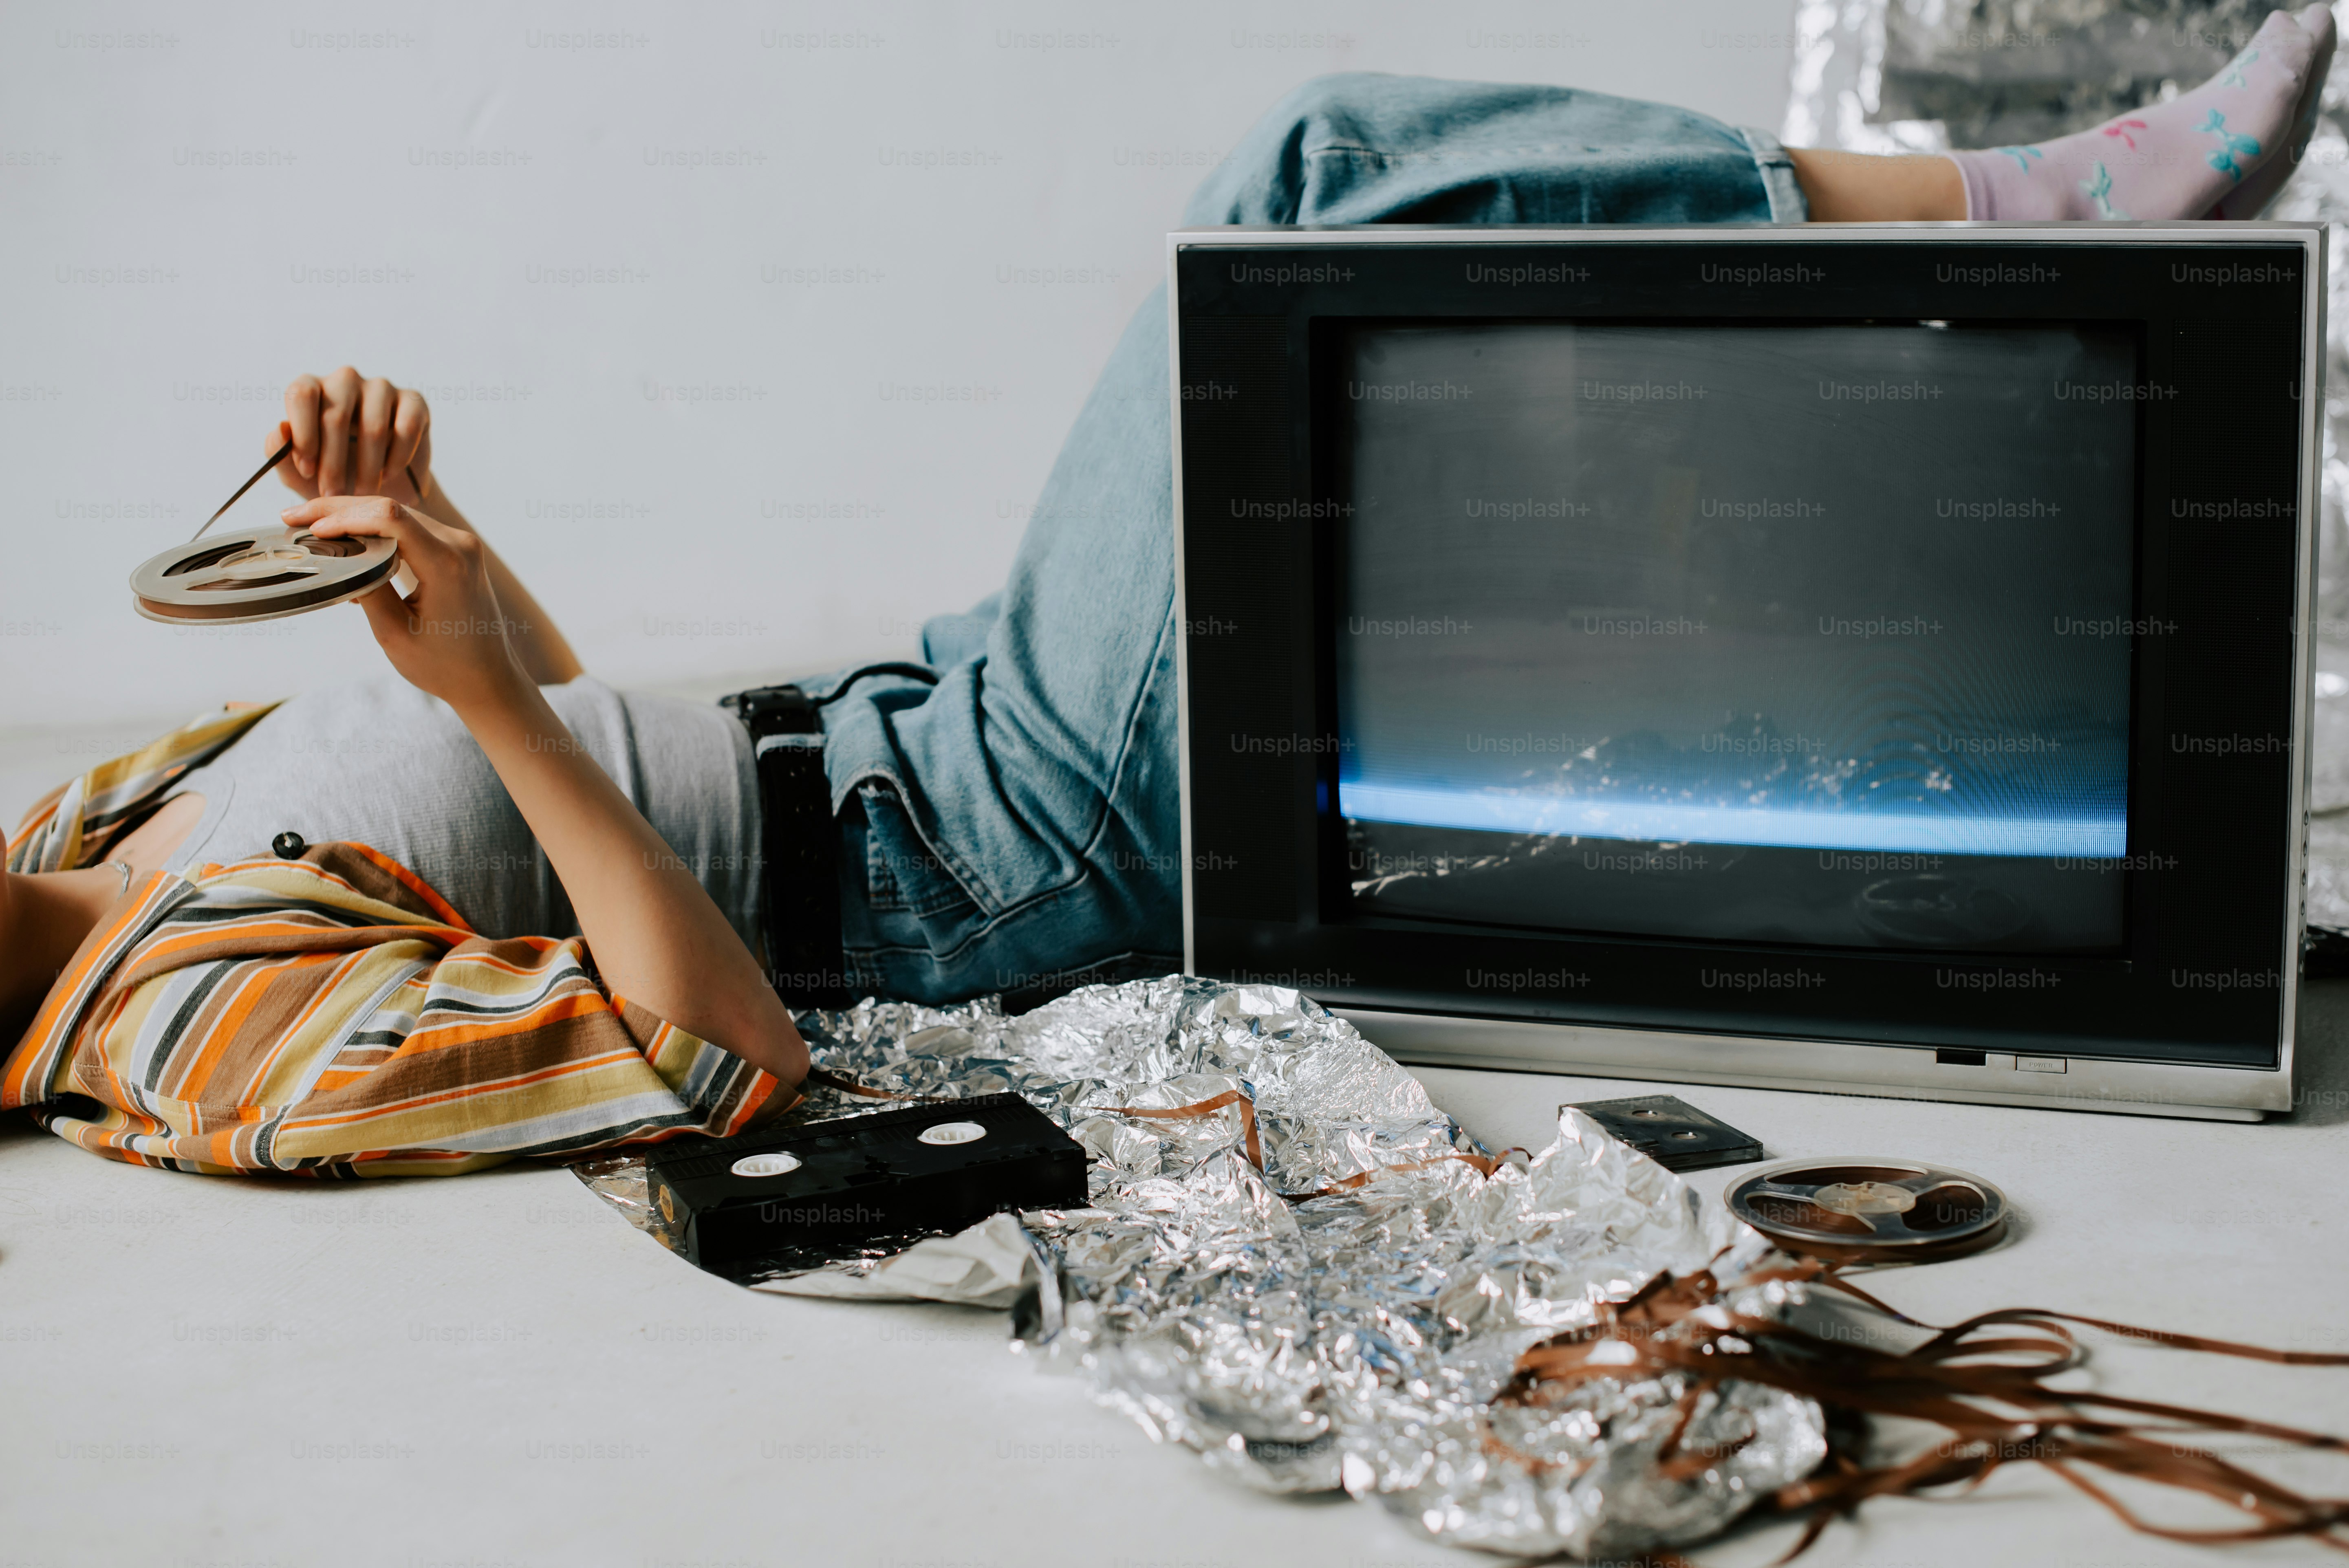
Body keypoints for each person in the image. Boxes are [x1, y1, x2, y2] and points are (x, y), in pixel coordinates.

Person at [3, 14, 2333, 1176]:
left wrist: (431, 540)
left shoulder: (85, 830)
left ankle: (2025, 232)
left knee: (1310, 232)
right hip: (979, 859)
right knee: (1310, 176)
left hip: (909, 721)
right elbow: (717, 1059)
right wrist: (486, 698)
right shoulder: (178, 1033)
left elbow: (590, 744)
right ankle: (2040, 213)